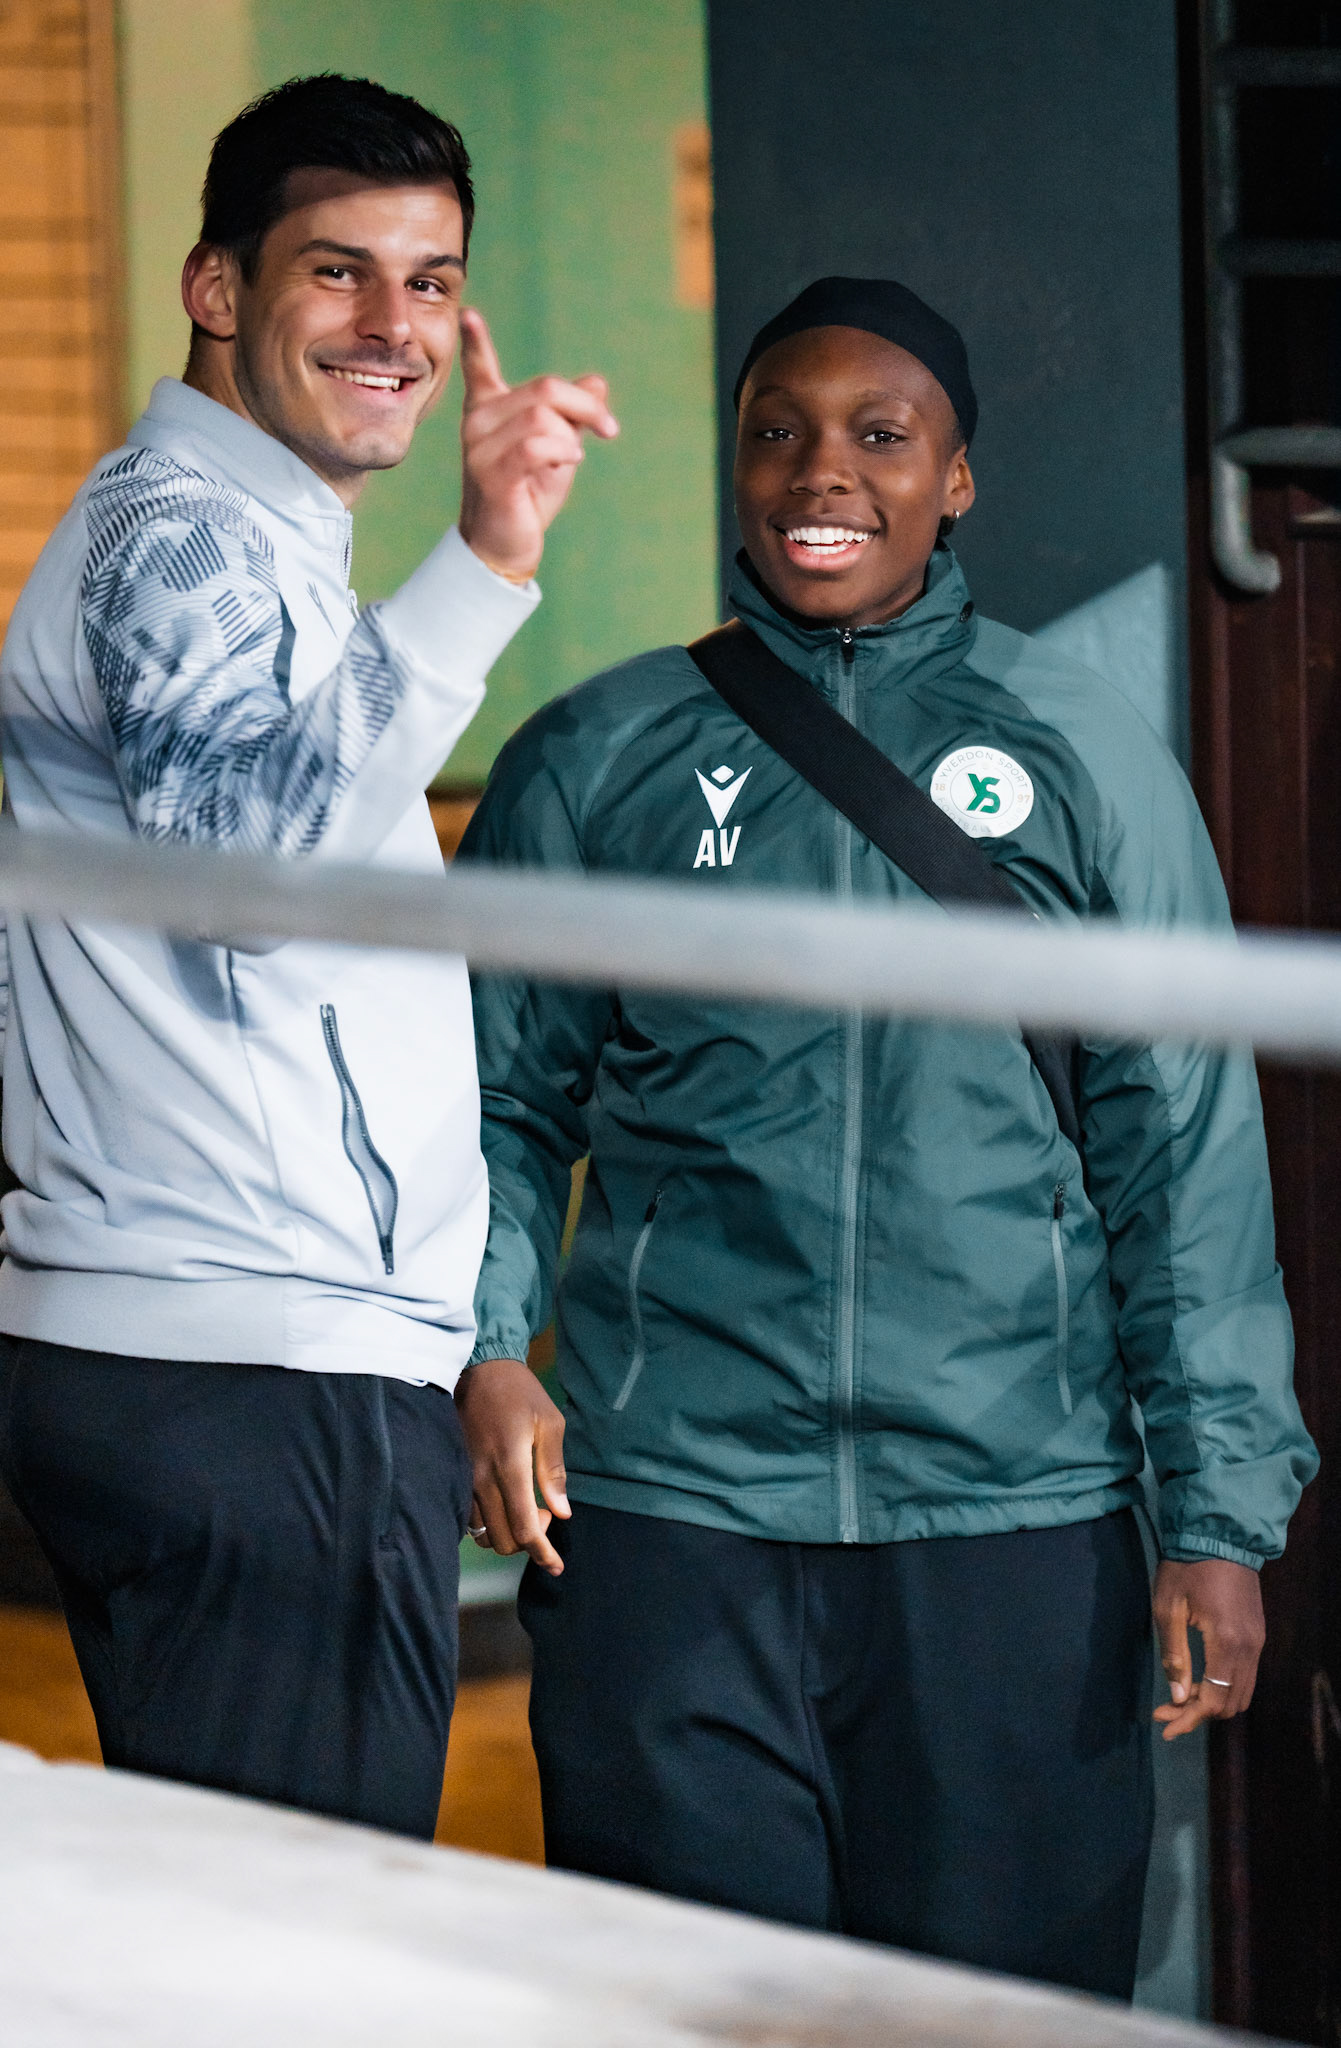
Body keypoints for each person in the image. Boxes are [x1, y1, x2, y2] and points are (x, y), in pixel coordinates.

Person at [456, 277, 1316, 1994]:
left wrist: (1217, 1519)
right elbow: (484, 1095)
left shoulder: (1078, 754)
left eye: (876, 434)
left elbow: (1182, 1154)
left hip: (1007, 1527)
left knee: (998, 2021)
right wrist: (485, 1349)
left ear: (956, 479)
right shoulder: (601, 757)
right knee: (687, 2013)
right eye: (774, 432)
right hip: (675, 1521)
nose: (815, 473)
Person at [0, 73, 615, 1838]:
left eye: (429, 280)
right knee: (302, 1964)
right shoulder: (181, 533)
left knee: (243, 1933)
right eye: (336, 273)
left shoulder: (215, 539)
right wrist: (488, 560)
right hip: (254, 1368)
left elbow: (8, 947)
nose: (392, 326)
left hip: (194, 1351)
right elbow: (247, 872)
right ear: (215, 288)